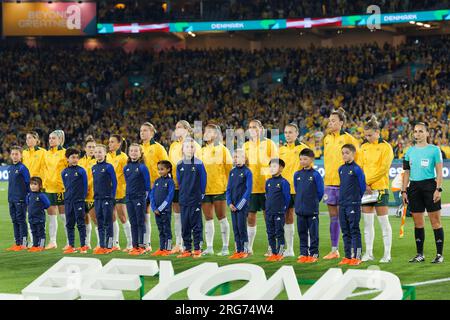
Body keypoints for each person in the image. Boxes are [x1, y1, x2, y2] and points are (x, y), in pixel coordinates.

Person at [402, 122, 444, 263]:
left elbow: (439, 171)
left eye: (420, 131)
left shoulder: (434, 150)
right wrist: (404, 190)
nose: (417, 134)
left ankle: (439, 255)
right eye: (415, 131)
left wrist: (438, 189)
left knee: (435, 222)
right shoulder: (409, 151)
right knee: (418, 223)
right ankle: (420, 254)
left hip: (429, 186)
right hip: (414, 187)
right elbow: (406, 172)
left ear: (427, 133)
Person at [322, 108, 360, 260]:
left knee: (346, 218)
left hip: (344, 184)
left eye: (333, 121)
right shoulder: (326, 139)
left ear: (341, 123)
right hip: (329, 182)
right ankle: (334, 249)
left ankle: (350, 250)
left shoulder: (349, 139)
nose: (330, 123)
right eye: (329, 120)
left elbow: (358, 160)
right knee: (333, 217)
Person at [360, 116, 394, 263]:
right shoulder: (363, 147)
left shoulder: (386, 147)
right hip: (366, 190)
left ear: (377, 132)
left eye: (370, 135)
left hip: (379, 188)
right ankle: (368, 253)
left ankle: (387, 254)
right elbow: (359, 167)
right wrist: (364, 184)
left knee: (383, 222)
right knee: (367, 223)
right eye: (365, 135)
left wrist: (367, 182)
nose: (367, 138)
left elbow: (384, 169)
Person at [243, 119, 278, 256]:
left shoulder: (269, 144)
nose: (252, 129)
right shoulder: (245, 146)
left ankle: (271, 247)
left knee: (268, 217)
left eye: (255, 127)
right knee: (250, 217)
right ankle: (249, 248)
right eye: (250, 127)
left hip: (266, 187)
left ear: (261, 129)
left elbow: (275, 164)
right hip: (251, 188)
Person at [168, 120, 202, 254]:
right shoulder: (173, 146)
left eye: (180, 127)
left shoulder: (194, 145)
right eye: (176, 127)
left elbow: (198, 166)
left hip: (190, 186)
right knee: (178, 215)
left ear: (188, 130)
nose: (177, 130)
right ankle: (179, 243)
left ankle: (197, 245)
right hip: (176, 185)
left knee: (193, 217)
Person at [201, 124, 233, 256]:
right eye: (205, 131)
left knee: (222, 218)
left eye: (210, 132)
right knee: (208, 218)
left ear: (216, 135)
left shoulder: (223, 150)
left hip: (220, 189)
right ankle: (209, 247)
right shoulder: (201, 151)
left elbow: (230, 170)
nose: (206, 133)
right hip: (205, 190)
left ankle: (225, 247)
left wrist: (228, 187)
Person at [279, 123, 309, 257]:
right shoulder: (281, 150)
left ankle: (306, 250)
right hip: (285, 190)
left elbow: (309, 169)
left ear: (297, 134)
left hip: (300, 189)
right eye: (286, 132)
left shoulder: (304, 149)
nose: (288, 135)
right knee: (288, 218)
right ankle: (290, 249)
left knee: (303, 218)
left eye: (290, 132)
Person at [140, 122, 170, 251]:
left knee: (162, 216)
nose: (142, 133)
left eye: (145, 130)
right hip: (142, 187)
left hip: (157, 186)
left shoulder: (158, 148)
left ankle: (166, 246)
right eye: (141, 130)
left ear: (152, 133)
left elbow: (166, 165)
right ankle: (147, 244)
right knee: (144, 215)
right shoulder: (139, 148)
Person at [176, 138, 207, 259]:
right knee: (185, 224)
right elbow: (179, 181)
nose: (190, 149)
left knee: (196, 225)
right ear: (183, 149)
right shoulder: (179, 164)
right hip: (183, 199)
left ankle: (198, 249)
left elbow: (203, 180)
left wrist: (201, 194)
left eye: (192, 147)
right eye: (187, 147)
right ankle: (187, 249)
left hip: (195, 199)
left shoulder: (199, 163)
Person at [294, 148, 324, 264]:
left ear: (311, 160)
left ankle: (314, 253)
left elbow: (320, 192)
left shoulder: (316, 175)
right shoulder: (297, 174)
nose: (302, 161)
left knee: (313, 233)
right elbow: (297, 189)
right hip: (300, 210)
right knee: (302, 232)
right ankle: (303, 253)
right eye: (301, 159)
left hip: (312, 210)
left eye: (305, 159)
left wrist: (314, 202)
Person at [338, 144, 366, 266]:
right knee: (345, 231)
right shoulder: (340, 169)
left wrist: (356, 200)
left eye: (347, 152)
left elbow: (362, 186)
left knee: (354, 230)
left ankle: (357, 256)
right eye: (343, 153)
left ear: (353, 154)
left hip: (353, 204)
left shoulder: (356, 169)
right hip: (342, 204)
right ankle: (347, 256)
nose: (344, 155)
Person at [107, 134, 133, 252]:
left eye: (112, 142)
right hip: (108, 192)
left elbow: (128, 175)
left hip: (120, 191)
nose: (109, 144)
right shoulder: (107, 156)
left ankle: (130, 243)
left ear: (119, 144)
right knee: (111, 217)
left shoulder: (123, 157)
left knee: (122, 217)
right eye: (109, 142)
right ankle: (115, 243)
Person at [124, 143, 151, 255]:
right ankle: (135, 246)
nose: (133, 153)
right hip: (129, 198)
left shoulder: (142, 167)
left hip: (139, 198)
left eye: (136, 151)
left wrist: (145, 197)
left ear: (140, 154)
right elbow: (128, 182)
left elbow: (147, 184)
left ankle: (142, 246)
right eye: (131, 151)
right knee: (133, 222)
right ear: (129, 153)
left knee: (141, 222)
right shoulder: (126, 167)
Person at [43, 130, 68, 250]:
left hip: (61, 189)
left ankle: (70, 242)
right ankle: (53, 242)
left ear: (59, 140)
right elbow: (45, 170)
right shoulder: (46, 153)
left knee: (64, 217)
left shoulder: (64, 153)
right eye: (49, 138)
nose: (51, 140)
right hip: (49, 189)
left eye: (53, 138)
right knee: (51, 217)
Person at [61, 148, 89, 254]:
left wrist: (81, 198)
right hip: (68, 201)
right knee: (69, 224)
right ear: (67, 159)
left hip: (79, 201)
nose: (75, 159)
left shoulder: (81, 171)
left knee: (81, 223)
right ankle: (71, 246)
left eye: (77, 157)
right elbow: (66, 186)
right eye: (73, 157)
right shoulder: (64, 172)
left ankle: (83, 245)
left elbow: (85, 186)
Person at [226, 149, 252, 259]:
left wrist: (239, 205)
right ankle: (238, 250)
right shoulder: (232, 172)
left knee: (242, 228)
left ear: (244, 158)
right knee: (235, 228)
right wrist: (229, 203)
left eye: (239, 157)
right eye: (235, 157)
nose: (237, 159)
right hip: (233, 206)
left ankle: (245, 250)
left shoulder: (247, 172)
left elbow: (248, 190)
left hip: (242, 206)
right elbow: (228, 189)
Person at [22, 131, 46, 247]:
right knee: (29, 214)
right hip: (28, 188)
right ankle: (33, 242)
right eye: (27, 138)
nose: (28, 140)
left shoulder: (43, 152)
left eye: (31, 138)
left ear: (37, 140)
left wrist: (43, 185)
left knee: (41, 215)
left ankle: (48, 241)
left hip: (39, 187)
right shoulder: (24, 153)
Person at [92, 144, 117, 255]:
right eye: (96, 152)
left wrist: (112, 196)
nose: (98, 154)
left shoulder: (109, 167)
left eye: (100, 152)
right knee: (99, 222)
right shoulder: (93, 168)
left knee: (108, 221)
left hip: (107, 198)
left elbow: (114, 182)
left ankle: (110, 245)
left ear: (105, 153)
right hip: (97, 198)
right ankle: (102, 245)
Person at [264, 158, 291, 262]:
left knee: (279, 232)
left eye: (274, 166)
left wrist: (283, 209)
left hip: (279, 212)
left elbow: (287, 198)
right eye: (270, 166)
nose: (272, 168)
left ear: (281, 168)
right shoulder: (268, 182)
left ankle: (280, 253)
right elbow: (267, 195)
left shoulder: (284, 182)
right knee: (270, 233)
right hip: (269, 212)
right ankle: (273, 253)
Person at [6, 146, 30, 251]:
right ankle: (17, 243)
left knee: (21, 220)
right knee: (14, 221)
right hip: (11, 199)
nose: (14, 156)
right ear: (11, 155)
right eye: (13, 154)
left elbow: (28, 183)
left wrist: (28, 198)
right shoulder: (10, 168)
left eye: (17, 154)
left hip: (20, 199)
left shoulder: (23, 168)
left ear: (21, 155)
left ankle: (24, 243)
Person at [149, 160, 175, 256]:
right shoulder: (157, 181)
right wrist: (154, 207)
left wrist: (160, 208)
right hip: (156, 211)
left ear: (168, 169)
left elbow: (170, 196)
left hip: (165, 210)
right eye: (159, 169)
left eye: (162, 169)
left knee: (166, 229)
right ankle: (161, 248)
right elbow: (151, 195)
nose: (160, 171)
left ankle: (168, 249)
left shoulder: (170, 182)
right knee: (160, 230)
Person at [78, 136, 97, 249]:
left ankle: (101, 244)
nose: (91, 149)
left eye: (94, 147)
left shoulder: (98, 161)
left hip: (93, 195)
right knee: (85, 219)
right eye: (89, 147)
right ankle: (87, 243)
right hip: (81, 195)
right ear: (85, 148)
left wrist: (87, 188)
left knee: (96, 220)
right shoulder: (80, 161)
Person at [26, 177, 50, 252]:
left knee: (41, 232)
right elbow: (27, 203)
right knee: (33, 232)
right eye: (31, 184)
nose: (33, 186)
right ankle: (35, 245)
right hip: (31, 218)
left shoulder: (41, 195)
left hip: (39, 218)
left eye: (35, 184)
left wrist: (40, 208)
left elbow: (47, 204)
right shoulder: (29, 195)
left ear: (40, 186)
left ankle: (41, 245)